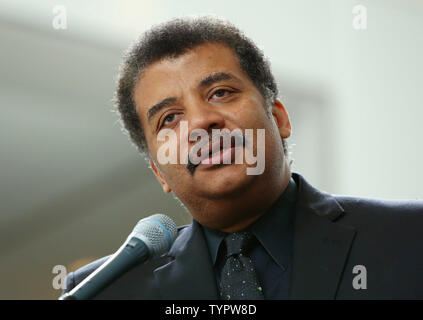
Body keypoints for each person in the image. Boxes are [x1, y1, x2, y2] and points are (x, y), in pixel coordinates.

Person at [62, 16, 423, 300]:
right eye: (170, 118)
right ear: (159, 172)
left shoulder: (408, 239)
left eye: (220, 93)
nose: (202, 122)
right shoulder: (104, 291)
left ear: (279, 118)